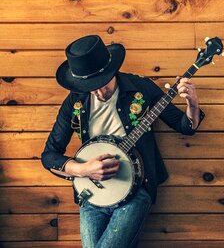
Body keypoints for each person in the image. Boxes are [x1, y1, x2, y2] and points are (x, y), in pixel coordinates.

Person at [40, 34, 205, 248]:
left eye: (102, 83)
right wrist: (83, 170)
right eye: (91, 86)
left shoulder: (141, 88)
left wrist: (193, 103)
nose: (99, 92)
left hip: (137, 189)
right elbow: (49, 155)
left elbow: (184, 127)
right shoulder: (75, 101)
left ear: (112, 70)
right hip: (92, 194)